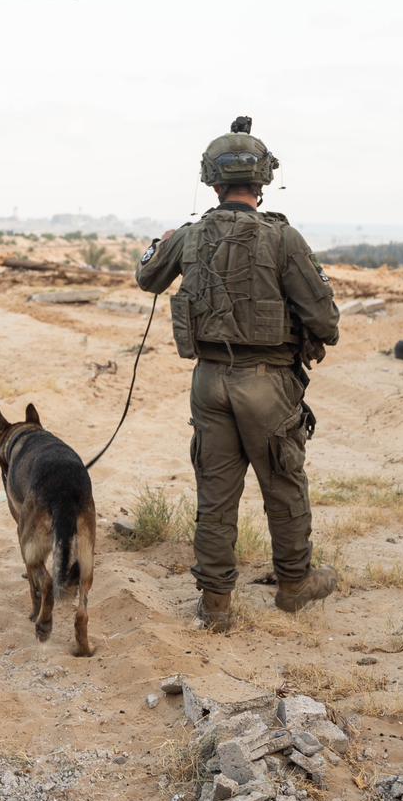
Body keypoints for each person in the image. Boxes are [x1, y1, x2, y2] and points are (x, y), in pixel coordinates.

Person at [135, 116, 341, 632]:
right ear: (263, 178)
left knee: (216, 492)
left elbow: (148, 277)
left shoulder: (189, 235)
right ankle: (294, 585)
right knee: (284, 482)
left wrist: (159, 244)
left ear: (211, 178)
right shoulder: (283, 239)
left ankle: (216, 605)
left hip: (208, 383)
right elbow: (326, 322)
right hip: (267, 383)